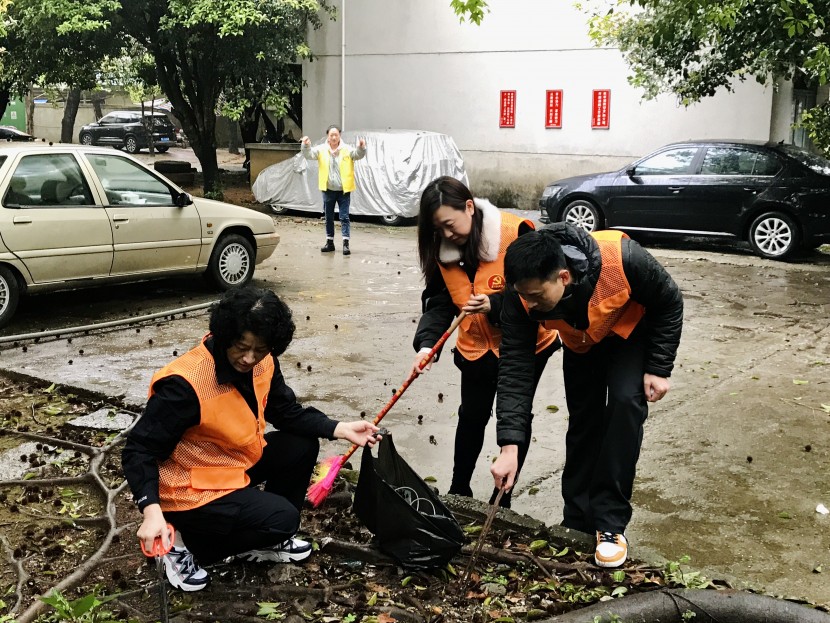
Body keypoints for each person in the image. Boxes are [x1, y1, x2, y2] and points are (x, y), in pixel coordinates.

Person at [122, 287, 379, 591]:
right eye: (241, 346)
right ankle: (182, 544)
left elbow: (285, 411)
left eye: (260, 350)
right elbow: (139, 449)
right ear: (224, 334)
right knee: (283, 518)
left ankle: (264, 536)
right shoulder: (186, 385)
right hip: (186, 488)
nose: (248, 358)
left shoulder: (263, 362)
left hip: (227, 465)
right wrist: (151, 513)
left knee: (301, 445)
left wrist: (340, 428)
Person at [491, 222, 683, 568]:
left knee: (625, 405)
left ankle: (610, 524)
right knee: (583, 420)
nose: (529, 304)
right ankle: (577, 519)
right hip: (581, 343)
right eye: (523, 295)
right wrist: (509, 445)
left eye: (536, 296)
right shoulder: (521, 294)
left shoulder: (622, 259)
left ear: (563, 277)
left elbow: (669, 302)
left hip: (630, 334)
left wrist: (658, 366)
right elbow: (515, 367)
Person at [410, 176, 560, 508]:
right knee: (472, 415)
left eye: (450, 224)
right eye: (439, 230)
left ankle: (501, 497)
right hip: (476, 346)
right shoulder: (443, 250)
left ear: (468, 207)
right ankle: (458, 488)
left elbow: (539, 292)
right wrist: (426, 345)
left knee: (516, 414)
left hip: (525, 345)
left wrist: (494, 303)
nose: (448, 235)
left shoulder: (514, 232)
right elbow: (439, 301)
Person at [301, 125, 366, 256]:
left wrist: (361, 147)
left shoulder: (346, 149)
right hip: (328, 190)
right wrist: (306, 145)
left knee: (344, 217)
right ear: (328, 136)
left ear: (339, 136)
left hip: (343, 190)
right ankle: (329, 243)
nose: (334, 137)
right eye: (332, 135)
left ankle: (345, 244)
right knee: (329, 217)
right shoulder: (321, 150)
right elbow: (309, 154)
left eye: (336, 134)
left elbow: (358, 155)